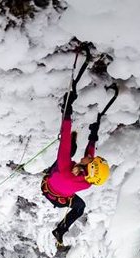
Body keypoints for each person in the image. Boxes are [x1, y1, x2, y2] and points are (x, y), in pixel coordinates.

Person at [41, 83, 110, 247]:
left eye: (92, 161)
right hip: (60, 199)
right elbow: (88, 160)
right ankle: (60, 230)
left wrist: (68, 109)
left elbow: (65, 136)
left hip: (48, 183)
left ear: (89, 167)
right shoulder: (87, 183)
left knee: (70, 149)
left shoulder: (65, 165)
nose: (90, 157)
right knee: (80, 207)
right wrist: (93, 136)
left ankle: (66, 155)